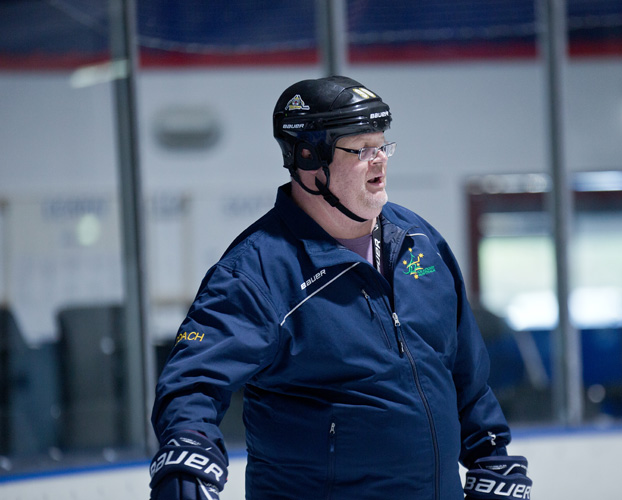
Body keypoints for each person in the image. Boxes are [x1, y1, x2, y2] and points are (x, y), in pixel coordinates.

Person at [148, 75, 532, 500]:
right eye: (361, 149)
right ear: (310, 159)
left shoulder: (419, 241)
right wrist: (187, 455)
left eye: (383, 145)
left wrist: (492, 457)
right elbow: (192, 382)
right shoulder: (258, 271)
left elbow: (465, 375)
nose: (380, 160)